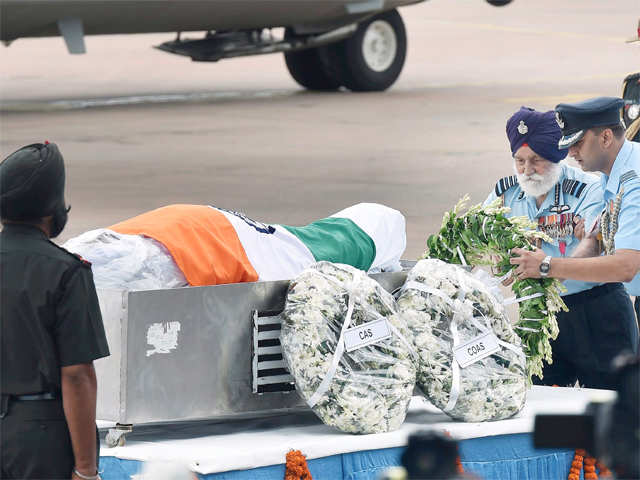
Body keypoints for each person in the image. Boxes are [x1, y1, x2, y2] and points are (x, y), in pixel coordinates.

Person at [485, 106, 637, 389]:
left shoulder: (589, 187)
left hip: (597, 312)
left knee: (614, 409)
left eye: (537, 160)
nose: (527, 170)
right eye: (520, 161)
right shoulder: (505, 193)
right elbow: (480, 235)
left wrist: (547, 269)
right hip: (542, 316)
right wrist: (493, 254)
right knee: (544, 407)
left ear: (557, 156)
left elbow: (592, 244)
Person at [0, 142, 110, 479]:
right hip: (38, 439)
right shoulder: (66, 272)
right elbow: (77, 374)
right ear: (53, 207)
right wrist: (86, 469)